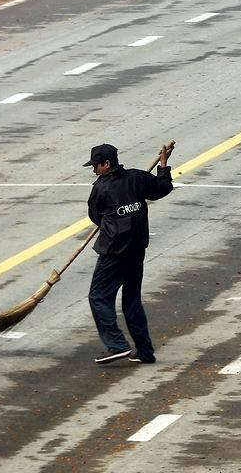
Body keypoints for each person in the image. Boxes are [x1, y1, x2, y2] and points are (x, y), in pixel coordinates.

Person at [85, 143, 174, 365]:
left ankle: (116, 344)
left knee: (98, 297)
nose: (94, 171)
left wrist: (111, 218)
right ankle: (144, 351)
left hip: (115, 251)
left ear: (106, 164)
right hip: (137, 248)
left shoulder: (101, 188)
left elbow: (95, 217)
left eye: (96, 166)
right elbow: (162, 187)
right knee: (131, 299)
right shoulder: (136, 178)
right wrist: (163, 165)